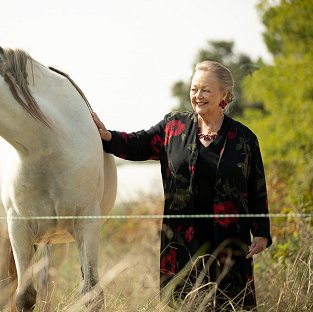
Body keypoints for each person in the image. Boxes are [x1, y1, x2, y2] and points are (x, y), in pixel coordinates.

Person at [92, 61, 272, 310]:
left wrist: (261, 231)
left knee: (232, 305)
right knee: (187, 304)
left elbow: (257, 187)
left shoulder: (244, 138)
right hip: (183, 242)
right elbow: (137, 144)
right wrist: (107, 136)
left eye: (206, 90)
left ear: (224, 95)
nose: (198, 96)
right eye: (194, 89)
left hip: (230, 243)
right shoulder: (173, 127)